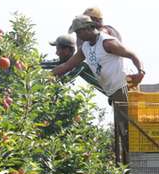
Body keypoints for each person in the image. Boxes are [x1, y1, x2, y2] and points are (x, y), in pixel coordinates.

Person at [53, 15, 146, 162]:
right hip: (112, 92)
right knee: (122, 131)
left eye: (79, 32)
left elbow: (132, 54)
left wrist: (140, 72)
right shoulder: (85, 47)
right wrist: (46, 76)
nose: (78, 36)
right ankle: (128, 166)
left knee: (126, 130)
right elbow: (67, 66)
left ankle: (133, 166)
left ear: (89, 28)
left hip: (123, 88)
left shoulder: (107, 43)